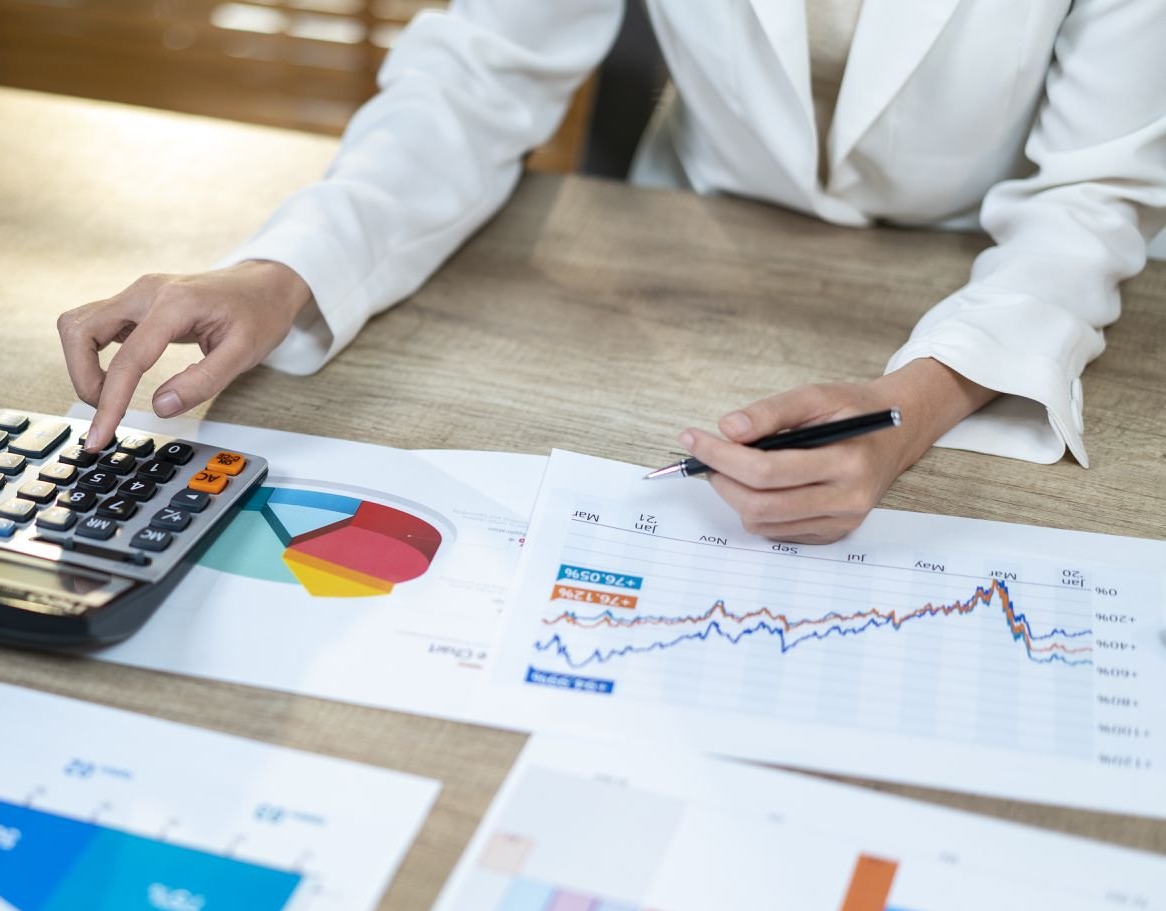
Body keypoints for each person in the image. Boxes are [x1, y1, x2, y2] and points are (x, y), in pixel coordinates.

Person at [57, 0, 1166, 543]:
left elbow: (1093, 193)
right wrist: (287, 266)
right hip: (691, 236)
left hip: (986, 269)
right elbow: (484, 72)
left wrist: (923, 400)